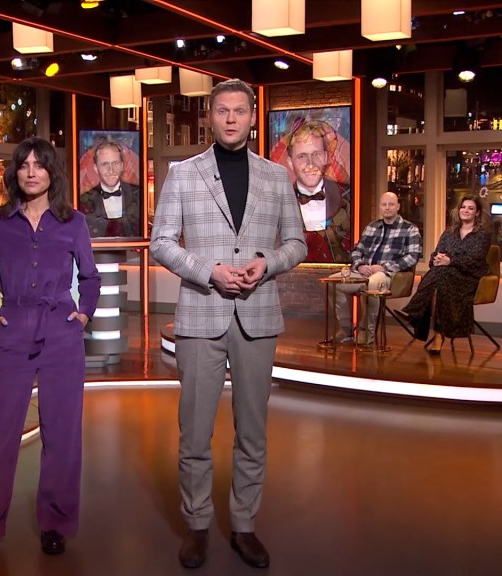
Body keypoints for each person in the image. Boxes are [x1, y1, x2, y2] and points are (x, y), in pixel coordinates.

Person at [150, 79, 307, 569]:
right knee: (195, 432)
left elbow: (297, 243)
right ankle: (197, 525)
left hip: (258, 316)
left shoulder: (276, 177)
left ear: (253, 118)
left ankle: (244, 525)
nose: (232, 118)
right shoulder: (183, 174)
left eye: (240, 110)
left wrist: (267, 263)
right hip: (201, 315)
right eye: (223, 110)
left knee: (252, 432)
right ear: (210, 117)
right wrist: (208, 271)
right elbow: (161, 243)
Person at [0, 137, 100, 560]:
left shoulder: (73, 222)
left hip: (62, 334)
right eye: (24, 165)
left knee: (62, 435)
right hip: (14, 332)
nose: (32, 172)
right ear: (15, 173)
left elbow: (90, 277)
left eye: (40, 165)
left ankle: (55, 524)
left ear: (53, 173)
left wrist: (83, 315)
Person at [401, 195, 491, 353]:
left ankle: (416, 314)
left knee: (439, 276)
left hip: (468, 277)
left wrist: (450, 261)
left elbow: (474, 259)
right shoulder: (449, 232)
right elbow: (437, 252)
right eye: (463, 207)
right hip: (446, 275)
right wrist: (436, 259)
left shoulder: (482, 235)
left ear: (477, 213)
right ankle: (438, 333)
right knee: (440, 278)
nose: (466, 210)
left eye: (470, 208)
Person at [332, 192, 422, 344]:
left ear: (398, 207)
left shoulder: (410, 229)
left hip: (390, 275)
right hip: (364, 271)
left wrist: (383, 267)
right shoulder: (372, 227)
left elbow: (412, 257)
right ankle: (346, 329)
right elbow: (356, 251)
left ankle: (367, 332)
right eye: (384, 204)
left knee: (373, 283)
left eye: (391, 204)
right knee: (333, 283)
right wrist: (360, 265)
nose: (387, 208)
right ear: (380, 207)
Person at [288, 121, 351, 263]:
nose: (310, 164)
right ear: (290, 162)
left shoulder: (347, 198)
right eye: (302, 156)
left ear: (326, 157)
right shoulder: (278, 204)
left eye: (316, 154)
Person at [78, 139, 141, 237]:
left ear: (122, 165)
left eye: (115, 163)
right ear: (96, 168)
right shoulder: (83, 202)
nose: (111, 170)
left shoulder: (139, 195)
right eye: (105, 164)